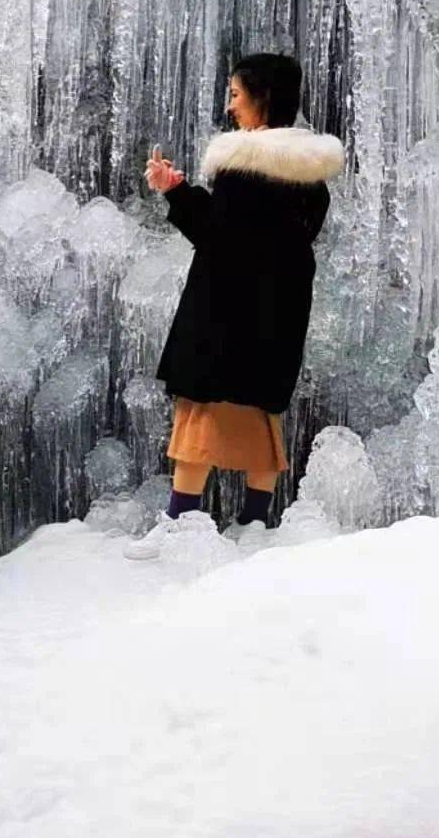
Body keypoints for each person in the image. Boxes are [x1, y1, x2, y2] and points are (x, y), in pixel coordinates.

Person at [125, 52, 343, 559]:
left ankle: (178, 522)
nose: (230, 108)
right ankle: (254, 522)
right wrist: (182, 189)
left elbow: (217, 235)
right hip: (278, 307)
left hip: (226, 309)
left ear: (261, 98)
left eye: (236, 95)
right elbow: (272, 236)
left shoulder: (241, 163)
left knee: (199, 411)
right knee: (261, 411)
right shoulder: (310, 173)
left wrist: (176, 195)